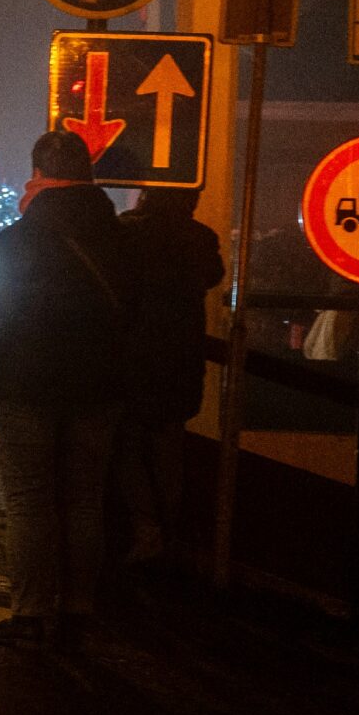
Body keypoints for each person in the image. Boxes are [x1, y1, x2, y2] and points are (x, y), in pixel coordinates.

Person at [0, 130, 132, 651]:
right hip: (99, 391)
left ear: (38, 175)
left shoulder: (17, 241)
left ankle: (31, 615)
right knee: (84, 501)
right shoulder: (121, 242)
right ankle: (79, 613)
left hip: (23, 390)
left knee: (30, 503)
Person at [115, 188, 227, 570]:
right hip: (180, 362)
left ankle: (147, 529)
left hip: (132, 361)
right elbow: (213, 276)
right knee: (168, 452)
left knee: (127, 448)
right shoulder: (199, 239)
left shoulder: (127, 233)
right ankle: (170, 533)